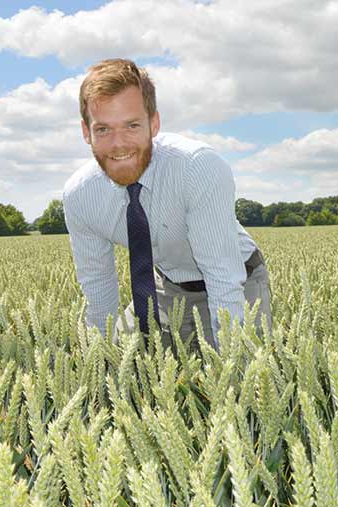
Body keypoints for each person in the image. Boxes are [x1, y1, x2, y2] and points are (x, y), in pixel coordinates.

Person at [62, 58, 271, 351]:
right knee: (126, 359)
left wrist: (231, 366)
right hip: (166, 286)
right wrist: (100, 367)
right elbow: (98, 286)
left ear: (154, 123)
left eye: (132, 125)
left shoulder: (197, 167)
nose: (119, 144)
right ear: (86, 131)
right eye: (103, 130)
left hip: (238, 282)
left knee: (234, 371)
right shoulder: (81, 195)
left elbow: (223, 276)